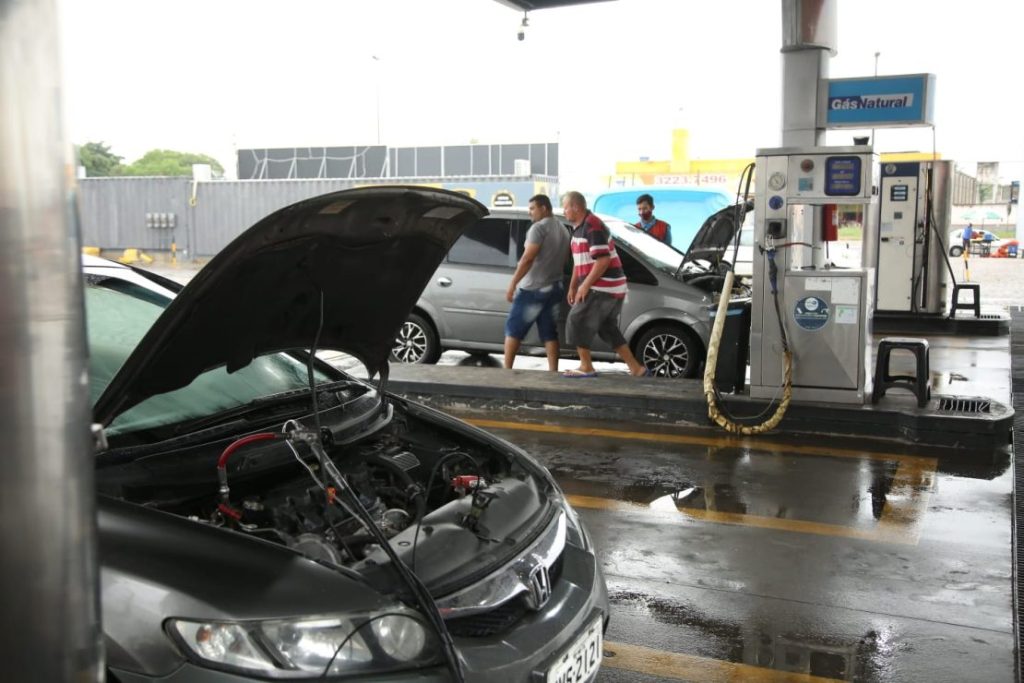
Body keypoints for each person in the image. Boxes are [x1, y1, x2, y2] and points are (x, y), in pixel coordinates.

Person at [561, 191, 649, 378]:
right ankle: (636, 368)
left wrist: (585, 286)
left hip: (604, 286)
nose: (564, 211)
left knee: (577, 320)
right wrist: (573, 285)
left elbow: (603, 260)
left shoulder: (592, 225)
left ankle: (586, 366)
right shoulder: (579, 228)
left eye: (566, 207)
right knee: (607, 328)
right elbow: (580, 261)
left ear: (576, 207)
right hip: (608, 286)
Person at [503, 194, 570, 371]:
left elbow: (527, 258)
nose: (530, 212)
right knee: (549, 332)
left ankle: (506, 370)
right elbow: (564, 259)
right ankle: (553, 371)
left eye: (532, 208)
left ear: (544, 208)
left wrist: (513, 284)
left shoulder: (538, 229)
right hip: (555, 286)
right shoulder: (563, 228)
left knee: (514, 329)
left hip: (533, 288)